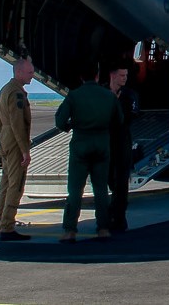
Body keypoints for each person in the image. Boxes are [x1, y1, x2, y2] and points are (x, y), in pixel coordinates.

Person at [52, 65, 123, 242]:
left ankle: (70, 230)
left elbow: (60, 121)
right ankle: (103, 228)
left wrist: (72, 126)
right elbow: (119, 121)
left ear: (81, 78)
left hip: (80, 144)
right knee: (100, 188)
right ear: (98, 76)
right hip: (101, 144)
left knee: (75, 190)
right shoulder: (108, 96)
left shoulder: (74, 96)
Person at [0, 57, 36, 241]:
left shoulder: (4, 90)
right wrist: (25, 150)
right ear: (18, 72)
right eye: (29, 73)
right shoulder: (17, 93)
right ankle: (7, 226)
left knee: (5, 183)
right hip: (15, 141)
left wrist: (4, 138)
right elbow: (18, 124)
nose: (33, 76)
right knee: (16, 185)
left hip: (5, 138)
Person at [104, 65, 138, 233]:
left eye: (126, 75)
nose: (124, 78)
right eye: (121, 75)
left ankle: (119, 218)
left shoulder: (129, 95)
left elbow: (130, 117)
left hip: (122, 143)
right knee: (109, 179)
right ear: (113, 75)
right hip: (106, 143)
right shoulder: (102, 92)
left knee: (121, 183)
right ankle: (111, 212)